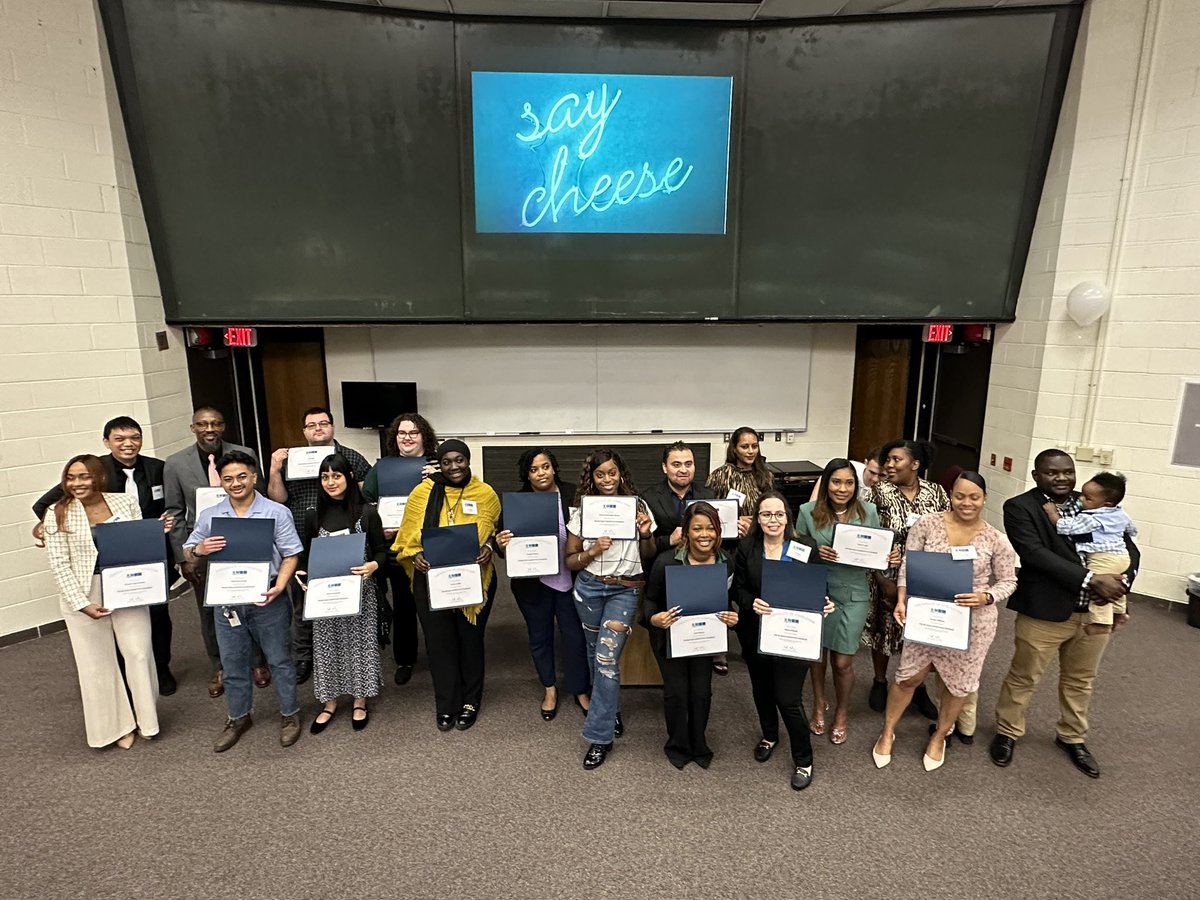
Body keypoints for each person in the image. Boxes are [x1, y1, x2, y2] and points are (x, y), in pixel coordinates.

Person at [990, 449, 1139, 779]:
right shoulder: (1021, 507)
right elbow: (1035, 554)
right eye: (1052, 473)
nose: (1062, 478)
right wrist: (1090, 578)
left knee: (1081, 680)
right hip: (1045, 610)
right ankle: (1008, 731)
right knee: (1024, 675)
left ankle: (1072, 737)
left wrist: (1125, 580)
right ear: (1036, 475)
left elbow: (1129, 546)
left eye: (1067, 472)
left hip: (1094, 613)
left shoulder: (1096, 501)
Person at [871, 472, 1017, 771]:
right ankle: (887, 733)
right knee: (909, 677)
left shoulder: (995, 539)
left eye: (974, 497)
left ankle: (939, 735)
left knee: (959, 684)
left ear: (984, 498)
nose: (966, 502)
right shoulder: (927, 524)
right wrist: (901, 598)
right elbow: (909, 565)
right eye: (960, 496)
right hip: (927, 613)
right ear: (951, 495)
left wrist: (986, 596)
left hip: (972, 621)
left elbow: (1008, 580)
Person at [32, 416, 178, 695]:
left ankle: (161, 667)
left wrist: (163, 525)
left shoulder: (158, 468)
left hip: (150, 553)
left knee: (158, 615)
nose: (128, 444)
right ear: (106, 442)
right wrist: (50, 526)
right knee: (116, 621)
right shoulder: (92, 470)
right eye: (119, 438)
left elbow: (170, 503)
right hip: (104, 561)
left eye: (134, 437)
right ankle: (123, 676)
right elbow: (46, 504)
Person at [43, 455, 169, 749]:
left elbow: (137, 546)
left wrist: (154, 533)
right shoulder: (57, 512)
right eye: (71, 478)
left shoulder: (124, 502)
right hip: (83, 592)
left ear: (99, 478)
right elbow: (59, 564)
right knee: (96, 664)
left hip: (127, 588)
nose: (77, 483)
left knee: (138, 653)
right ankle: (116, 728)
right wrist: (81, 603)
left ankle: (146, 720)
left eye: (84, 477)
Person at [183, 450, 305, 752]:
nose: (235, 483)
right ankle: (238, 717)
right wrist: (199, 549)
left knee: (279, 660)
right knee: (233, 662)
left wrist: (280, 586)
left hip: (267, 596)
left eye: (241, 476)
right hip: (227, 601)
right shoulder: (211, 516)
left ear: (253, 477)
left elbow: (291, 553)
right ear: (221, 483)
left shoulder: (276, 512)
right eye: (228, 479)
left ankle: (290, 714)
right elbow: (187, 551)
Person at [392, 439, 501, 732]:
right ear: (438, 465)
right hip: (430, 580)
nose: (454, 467)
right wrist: (415, 555)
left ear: (468, 461)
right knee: (440, 644)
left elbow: (493, 529)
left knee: (470, 640)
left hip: (474, 579)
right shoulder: (422, 493)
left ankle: (470, 701)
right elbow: (406, 537)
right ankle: (446, 703)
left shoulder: (485, 493)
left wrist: (489, 546)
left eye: (459, 460)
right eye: (446, 462)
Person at [164, 406, 270, 699]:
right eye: (202, 424)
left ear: (223, 426)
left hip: (244, 542)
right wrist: (185, 557)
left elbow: (258, 494)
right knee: (209, 610)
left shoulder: (244, 451)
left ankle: (258, 662)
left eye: (215, 423)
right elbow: (173, 512)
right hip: (204, 549)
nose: (209, 429)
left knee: (253, 603)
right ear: (193, 427)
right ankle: (219, 666)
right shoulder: (175, 463)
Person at [734, 491, 834, 790]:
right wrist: (751, 601)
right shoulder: (747, 548)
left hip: (794, 635)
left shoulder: (805, 546)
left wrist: (824, 603)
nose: (773, 520)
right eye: (766, 514)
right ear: (757, 518)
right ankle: (769, 735)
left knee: (788, 699)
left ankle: (803, 760)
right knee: (762, 690)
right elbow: (737, 588)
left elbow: (819, 587)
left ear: (788, 517)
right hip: (756, 633)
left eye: (779, 514)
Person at [565, 448, 657, 770]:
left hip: (624, 590)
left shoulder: (638, 507)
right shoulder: (582, 512)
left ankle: (599, 736)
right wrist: (592, 550)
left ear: (621, 474)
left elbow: (648, 555)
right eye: (600, 474)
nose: (607, 480)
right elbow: (570, 560)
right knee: (595, 656)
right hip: (589, 588)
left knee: (606, 658)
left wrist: (645, 534)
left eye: (612, 473)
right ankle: (610, 708)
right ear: (592, 477)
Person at [267, 406, 371, 686]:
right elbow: (277, 499)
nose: (317, 429)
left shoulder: (351, 456)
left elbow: (368, 491)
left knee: (346, 593)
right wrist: (275, 470)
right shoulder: (291, 460)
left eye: (323, 423)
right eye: (311, 425)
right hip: (302, 536)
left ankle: (350, 653)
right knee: (303, 598)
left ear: (332, 427)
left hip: (343, 535)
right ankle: (304, 656)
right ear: (304, 432)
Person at [796, 459, 887, 746]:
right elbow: (796, 552)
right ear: (826, 483)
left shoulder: (868, 511)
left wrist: (888, 558)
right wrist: (815, 551)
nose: (842, 488)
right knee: (817, 654)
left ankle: (842, 712)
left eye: (849, 483)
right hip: (818, 590)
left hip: (853, 592)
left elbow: (876, 553)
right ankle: (819, 702)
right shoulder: (807, 512)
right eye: (836, 482)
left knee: (843, 660)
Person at [495, 448, 590, 721]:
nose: (541, 473)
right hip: (532, 584)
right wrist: (501, 544)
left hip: (571, 580)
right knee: (540, 637)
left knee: (575, 637)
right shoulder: (517, 501)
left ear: (554, 467)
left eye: (546, 467)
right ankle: (549, 688)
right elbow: (503, 546)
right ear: (527, 474)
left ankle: (580, 689)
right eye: (534, 469)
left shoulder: (574, 494)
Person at [643, 502, 738, 769]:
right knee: (676, 692)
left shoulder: (725, 562)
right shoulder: (666, 562)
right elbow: (649, 602)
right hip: (669, 636)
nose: (704, 534)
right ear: (686, 532)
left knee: (701, 692)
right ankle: (677, 744)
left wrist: (732, 617)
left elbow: (726, 601)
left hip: (705, 638)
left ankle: (699, 742)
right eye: (697, 528)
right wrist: (654, 618)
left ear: (719, 532)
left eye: (711, 528)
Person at [863, 440, 948, 719]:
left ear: (915, 464)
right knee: (885, 628)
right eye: (887, 459)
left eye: (896, 460)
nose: (889, 465)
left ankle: (917, 686)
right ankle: (879, 681)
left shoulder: (936, 493)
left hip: (925, 573)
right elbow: (868, 536)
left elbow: (947, 528)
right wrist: (880, 577)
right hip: (887, 571)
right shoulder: (879, 492)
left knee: (920, 631)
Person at [301, 454, 387, 734]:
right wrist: (303, 576)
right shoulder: (314, 516)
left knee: (359, 646)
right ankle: (329, 702)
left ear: (348, 477)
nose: (330, 482)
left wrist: (374, 565)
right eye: (325, 477)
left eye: (336, 475)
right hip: (324, 595)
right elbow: (306, 557)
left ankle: (359, 701)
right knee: (327, 646)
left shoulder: (366, 513)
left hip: (360, 593)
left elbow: (381, 553)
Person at [362, 412, 438, 687]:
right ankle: (405, 659)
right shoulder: (382, 468)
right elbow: (366, 503)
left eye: (413, 433)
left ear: (424, 437)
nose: (407, 438)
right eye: (402, 433)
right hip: (396, 548)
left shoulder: (439, 464)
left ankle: (440, 655)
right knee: (404, 606)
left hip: (432, 546)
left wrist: (438, 477)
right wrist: (379, 526)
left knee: (436, 603)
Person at [706, 428, 773, 676]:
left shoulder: (764, 474)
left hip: (754, 542)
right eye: (745, 446)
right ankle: (719, 649)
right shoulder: (721, 476)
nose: (750, 451)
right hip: (725, 545)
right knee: (722, 595)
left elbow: (771, 505)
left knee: (749, 594)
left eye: (754, 446)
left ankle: (749, 645)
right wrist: (731, 523)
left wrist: (754, 523)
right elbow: (708, 510)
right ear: (734, 448)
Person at [1043, 471, 1136, 635]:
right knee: (1116, 584)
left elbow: (1065, 527)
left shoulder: (1090, 517)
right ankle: (1120, 613)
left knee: (1100, 587)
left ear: (1106, 503)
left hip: (1103, 558)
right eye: (1083, 494)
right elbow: (1131, 530)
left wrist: (1053, 513)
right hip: (1122, 556)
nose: (1080, 499)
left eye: (1088, 498)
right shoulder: (1121, 513)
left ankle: (1102, 623)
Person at [643, 441, 719, 557]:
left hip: (701, 563)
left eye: (688, 464)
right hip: (663, 565)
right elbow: (643, 544)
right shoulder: (649, 498)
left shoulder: (709, 496)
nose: (684, 470)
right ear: (665, 467)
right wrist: (669, 540)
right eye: (676, 465)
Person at [808, 447, 882, 503]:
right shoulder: (849, 470)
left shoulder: (889, 485)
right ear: (866, 463)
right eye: (872, 472)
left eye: (881, 475)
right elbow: (824, 480)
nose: (875, 479)